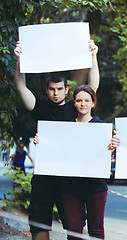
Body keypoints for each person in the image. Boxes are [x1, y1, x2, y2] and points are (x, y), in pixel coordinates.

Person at [14, 40, 100, 240]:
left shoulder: (74, 107)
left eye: (59, 89)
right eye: (52, 89)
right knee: (39, 226)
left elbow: (93, 86)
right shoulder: (39, 107)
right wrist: (20, 59)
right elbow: (20, 87)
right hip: (44, 176)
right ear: (47, 90)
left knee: (76, 228)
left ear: (66, 89)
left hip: (69, 177)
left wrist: (93, 57)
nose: (55, 93)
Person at [34, 85, 120, 240]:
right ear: (73, 103)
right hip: (71, 187)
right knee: (73, 231)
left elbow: (108, 156)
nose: (83, 104)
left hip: (96, 187)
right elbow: (55, 149)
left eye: (87, 100)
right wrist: (41, 141)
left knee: (96, 231)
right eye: (79, 100)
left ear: (93, 103)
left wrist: (113, 147)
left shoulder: (102, 127)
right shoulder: (66, 127)